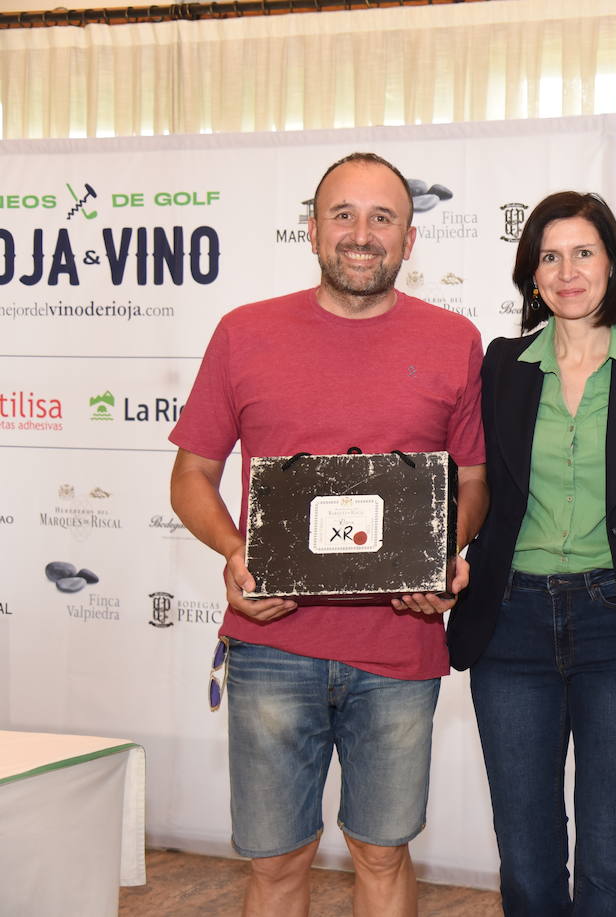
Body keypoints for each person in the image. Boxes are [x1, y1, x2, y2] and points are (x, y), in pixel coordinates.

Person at [169, 152, 489, 917]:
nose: (360, 234)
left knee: (384, 854)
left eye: (383, 218)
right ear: (311, 228)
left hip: (401, 649)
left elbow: (473, 483)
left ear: (410, 241)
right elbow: (190, 478)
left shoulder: (455, 340)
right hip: (272, 646)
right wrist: (236, 550)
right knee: (277, 866)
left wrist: (448, 550)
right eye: (342, 214)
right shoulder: (243, 333)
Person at [448, 191, 616, 914]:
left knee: (612, 851)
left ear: (613, 264)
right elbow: (477, 481)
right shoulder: (500, 366)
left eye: (584, 252)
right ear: (531, 274)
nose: (567, 270)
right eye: (549, 256)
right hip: (510, 625)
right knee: (526, 856)